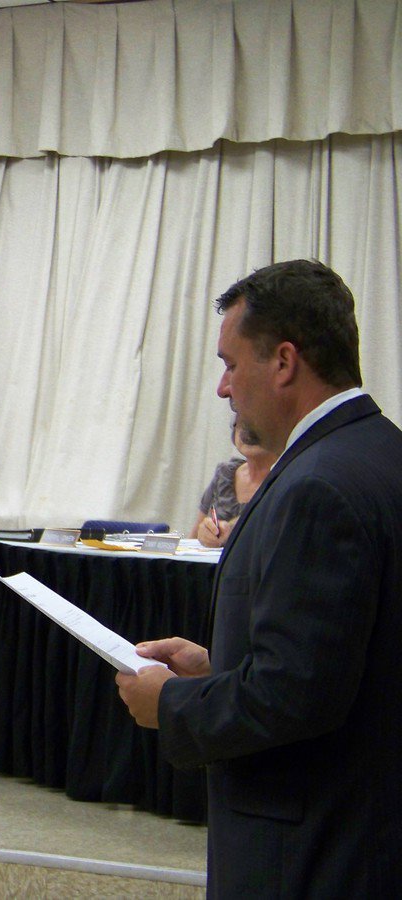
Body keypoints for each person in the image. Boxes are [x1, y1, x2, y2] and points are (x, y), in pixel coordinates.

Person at [115, 260, 402, 896]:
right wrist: (220, 671)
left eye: (230, 363)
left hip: (310, 851)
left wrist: (172, 703)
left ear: (284, 362)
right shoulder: (381, 452)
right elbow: (342, 659)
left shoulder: (318, 486)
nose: (222, 388)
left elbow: (295, 696)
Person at [188, 418, 277, 547]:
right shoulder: (225, 473)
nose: (247, 434)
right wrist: (205, 533)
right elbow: (194, 537)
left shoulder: (286, 476)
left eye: (255, 428)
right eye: (241, 425)